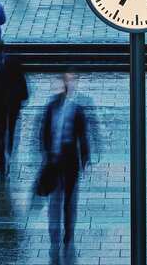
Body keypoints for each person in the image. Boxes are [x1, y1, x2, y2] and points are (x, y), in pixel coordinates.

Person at [40, 73, 91, 258]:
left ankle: (68, 233)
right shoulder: (50, 108)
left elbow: (82, 135)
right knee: (55, 200)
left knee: (69, 201)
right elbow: (44, 132)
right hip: (54, 161)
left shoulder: (76, 110)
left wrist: (85, 156)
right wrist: (45, 154)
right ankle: (55, 233)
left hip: (70, 161)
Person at [0, 48, 28, 176]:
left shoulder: (13, 61)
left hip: (13, 103)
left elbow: (21, 79)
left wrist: (23, 95)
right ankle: (1, 162)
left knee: (10, 131)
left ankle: (7, 157)